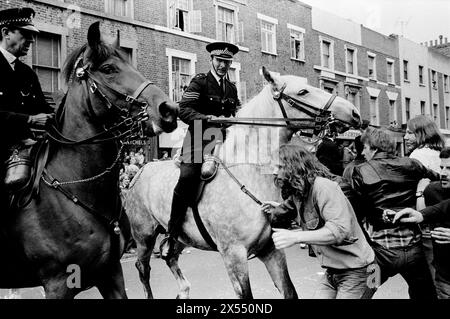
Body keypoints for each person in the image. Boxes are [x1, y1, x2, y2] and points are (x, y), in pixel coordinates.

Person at [262, 144, 376, 299]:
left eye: (280, 166)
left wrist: (295, 237)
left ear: (295, 167)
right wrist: (279, 208)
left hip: (360, 272)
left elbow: (339, 230)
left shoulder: (324, 187)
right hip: (333, 273)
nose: (275, 172)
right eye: (274, 167)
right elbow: (310, 214)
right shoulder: (300, 193)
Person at [160, 42, 240, 259]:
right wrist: (208, 118)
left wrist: (235, 120)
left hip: (223, 140)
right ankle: (172, 233)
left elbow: (235, 112)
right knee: (187, 177)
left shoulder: (232, 88)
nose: (223, 65)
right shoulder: (200, 82)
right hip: (198, 137)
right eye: (219, 61)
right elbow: (184, 110)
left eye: (227, 61)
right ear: (212, 60)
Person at [351, 127, 439, 299]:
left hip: (381, 252)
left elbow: (355, 211)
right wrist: (421, 197)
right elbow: (441, 182)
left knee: (365, 291)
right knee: (424, 294)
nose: (363, 152)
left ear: (374, 148)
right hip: (414, 248)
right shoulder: (412, 164)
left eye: (365, 148)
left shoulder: (361, 170)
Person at [0, 7, 54, 208]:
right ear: (6, 33)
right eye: (25, 34)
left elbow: (44, 108)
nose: (31, 40)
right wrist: (29, 120)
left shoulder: (27, 73)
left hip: (26, 148)